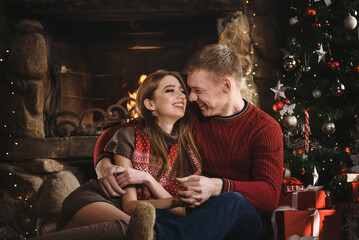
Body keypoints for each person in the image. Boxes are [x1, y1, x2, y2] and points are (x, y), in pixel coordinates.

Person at [95, 43, 284, 239]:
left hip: (239, 217)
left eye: (198, 90)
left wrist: (216, 186)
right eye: (190, 89)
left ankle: (162, 237)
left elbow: (269, 196)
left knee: (233, 200)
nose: (191, 97)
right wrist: (103, 162)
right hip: (195, 213)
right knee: (151, 214)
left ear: (226, 86)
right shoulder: (193, 113)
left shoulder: (265, 128)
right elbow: (120, 132)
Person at [29, 70, 202, 240]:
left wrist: (147, 179)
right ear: (150, 104)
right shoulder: (129, 136)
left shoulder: (189, 147)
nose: (180, 95)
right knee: (137, 230)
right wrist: (176, 200)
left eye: (182, 91)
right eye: (170, 90)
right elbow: (130, 206)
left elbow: (181, 211)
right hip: (98, 201)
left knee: (145, 230)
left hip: (140, 214)